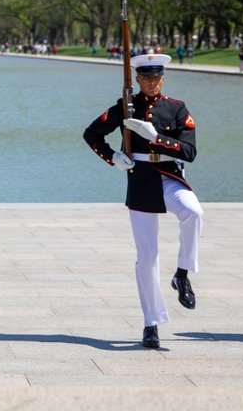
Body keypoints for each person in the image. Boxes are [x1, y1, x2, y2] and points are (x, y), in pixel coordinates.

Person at [83, 53, 202, 349]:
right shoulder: (125, 106)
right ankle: (151, 323)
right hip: (141, 180)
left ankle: (183, 273)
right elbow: (91, 134)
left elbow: (189, 151)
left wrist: (157, 137)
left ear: (163, 78)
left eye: (156, 77)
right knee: (147, 257)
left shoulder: (176, 108)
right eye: (146, 77)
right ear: (137, 79)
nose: (152, 82)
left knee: (194, 212)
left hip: (170, 175)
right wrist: (113, 157)